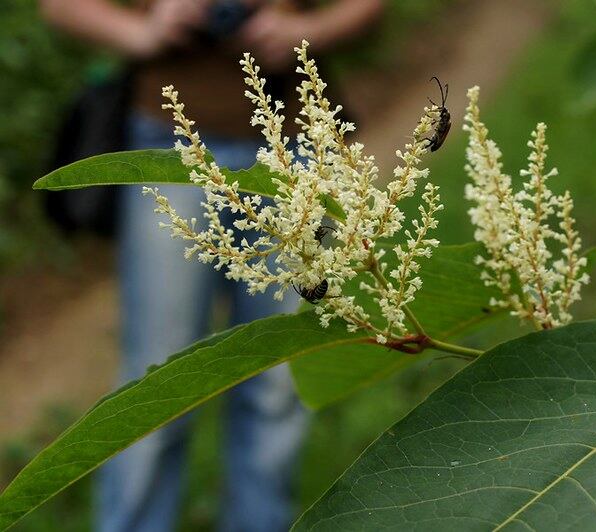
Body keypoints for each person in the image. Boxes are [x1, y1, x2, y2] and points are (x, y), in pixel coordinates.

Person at [39, 1, 384, 531]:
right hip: (168, 142)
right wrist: (142, 31)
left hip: (295, 145)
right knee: (159, 374)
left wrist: (308, 29)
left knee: (278, 374)